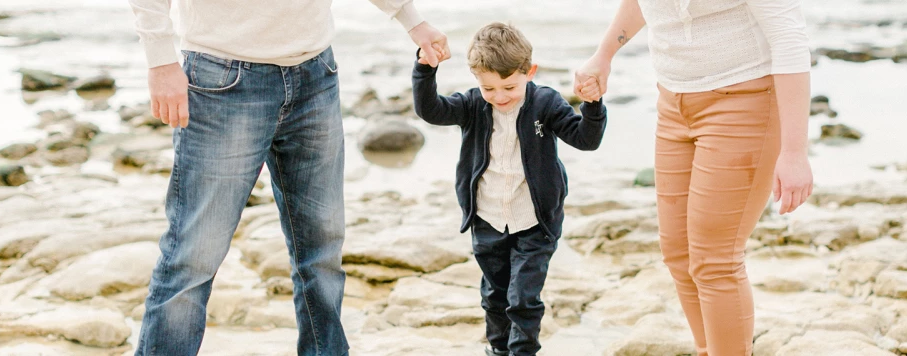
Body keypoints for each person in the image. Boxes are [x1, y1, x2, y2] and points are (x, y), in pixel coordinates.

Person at [125, 0, 452, 354]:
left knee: (322, 253)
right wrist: (160, 60)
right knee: (192, 256)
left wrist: (411, 20)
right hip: (222, 77)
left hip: (315, 73)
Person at [575, 0, 814, 354]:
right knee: (678, 254)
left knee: (715, 260)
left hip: (745, 100)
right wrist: (605, 54)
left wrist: (794, 152)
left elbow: (789, 39)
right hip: (673, 102)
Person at [411, 22, 607, 356]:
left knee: (523, 300)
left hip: (535, 222)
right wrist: (425, 69)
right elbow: (431, 110)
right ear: (477, 79)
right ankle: (498, 351)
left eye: (509, 87)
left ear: (529, 72)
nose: (499, 97)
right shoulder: (473, 104)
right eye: (489, 88)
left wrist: (592, 105)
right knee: (495, 297)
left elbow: (586, 139)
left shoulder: (545, 104)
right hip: (487, 219)